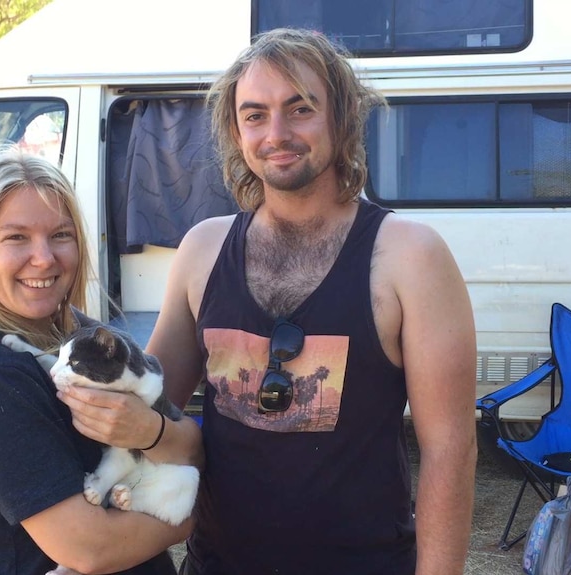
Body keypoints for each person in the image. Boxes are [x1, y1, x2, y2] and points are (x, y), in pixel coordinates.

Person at [144, 28, 477, 574]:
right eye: (254, 115)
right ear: (235, 130)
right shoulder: (202, 250)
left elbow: (450, 452)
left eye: (299, 109)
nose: (276, 133)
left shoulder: (410, 256)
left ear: (342, 118)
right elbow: (151, 408)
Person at [0, 145, 203, 575]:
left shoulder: (82, 336)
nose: (45, 258)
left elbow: (188, 443)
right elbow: (91, 549)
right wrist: (203, 508)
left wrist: (151, 430)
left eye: (61, 234)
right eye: (16, 237)